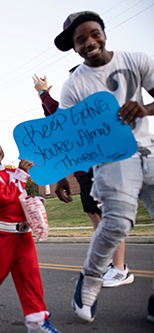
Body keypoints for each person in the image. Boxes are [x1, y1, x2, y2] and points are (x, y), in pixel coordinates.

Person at [54, 10, 154, 322]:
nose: (89, 42)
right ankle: (91, 277)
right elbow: (64, 135)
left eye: (93, 34)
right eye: (80, 40)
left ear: (104, 32)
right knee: (118, 222)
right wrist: (60, 175)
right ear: (74, 47)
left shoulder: (137, 60)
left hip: (148, 149)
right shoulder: (73, 87)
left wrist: (144, 108)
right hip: (111, 159)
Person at [33, 71, 135, 288]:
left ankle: (120, 268)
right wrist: (44, 98)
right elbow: (55, 122)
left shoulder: (94, 106)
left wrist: (43, 93)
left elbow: (63, 117)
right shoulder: (71, 106)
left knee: (108, 217)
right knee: (93, 213)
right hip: (83, 171)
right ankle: (109, 260)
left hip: (101, 167)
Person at [0, 133, 61, 332]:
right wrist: (20, 174)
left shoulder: (13, 172)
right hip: (2, 236)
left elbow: (21, 195)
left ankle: (36, 322)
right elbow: (3, 198)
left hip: (24, 236)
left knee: (31, 275)